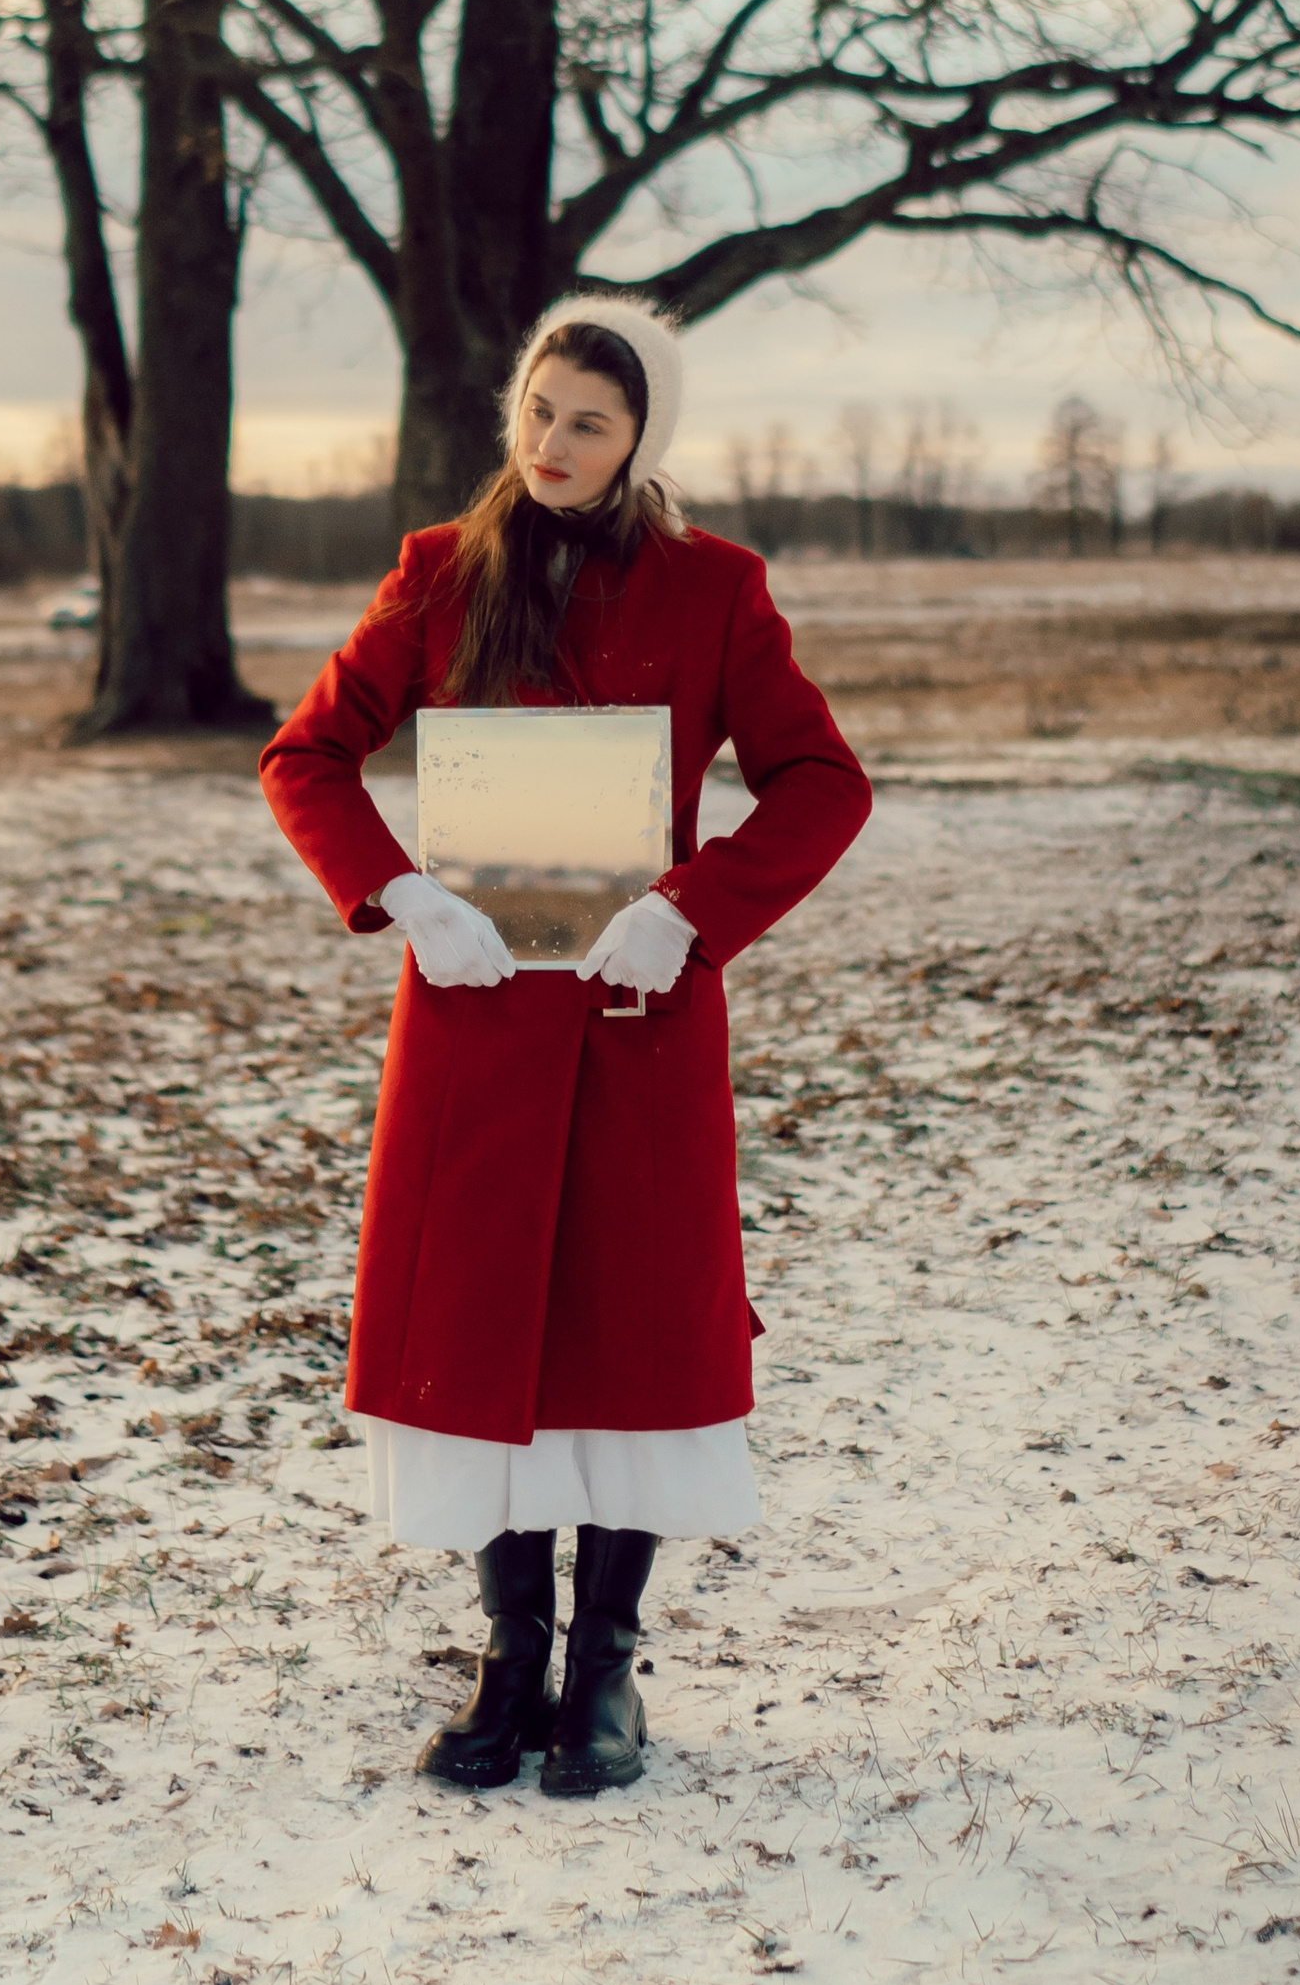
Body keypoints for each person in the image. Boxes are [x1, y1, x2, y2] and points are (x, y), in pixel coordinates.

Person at [259, 294, 871, 1796]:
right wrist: (398, 889)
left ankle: (605, 1673)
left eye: (588, 420)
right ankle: (505, 1659)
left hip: (636, 1022)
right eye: (538, 409)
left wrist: (693, 906)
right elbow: (307, 753)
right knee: (482, 1339)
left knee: (626, 1341)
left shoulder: (716, 589)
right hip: (475, 1023)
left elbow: (821, 781)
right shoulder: (440, 575)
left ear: (640, 435)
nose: (552, 442)